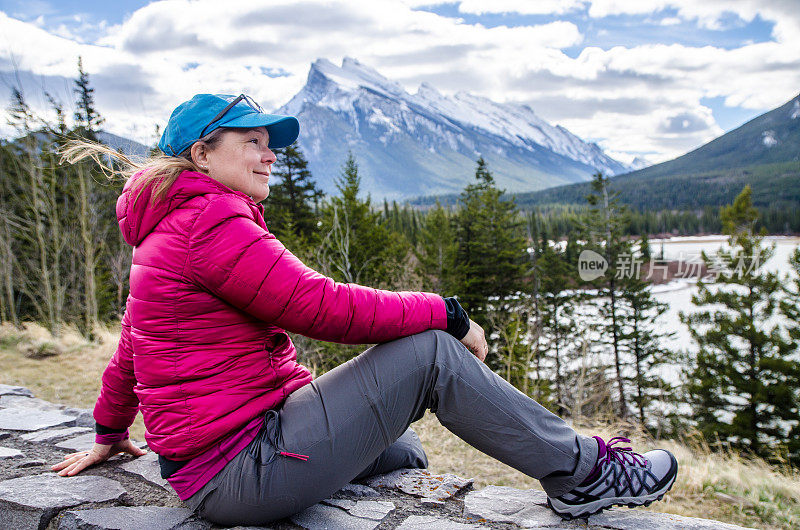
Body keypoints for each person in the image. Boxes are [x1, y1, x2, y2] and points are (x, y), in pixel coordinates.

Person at [52, 93, 677, 525]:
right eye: (253, 142)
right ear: (201, 154)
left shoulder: (165, 228)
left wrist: (109, 432)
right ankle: (583, 473)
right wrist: (448, 313)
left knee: (404, 454)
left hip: (227, 455)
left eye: (270, 142)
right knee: (430, 352)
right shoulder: (210, 219)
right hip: (239, 467)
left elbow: (131, 348)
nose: (271, 154)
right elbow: (317, 305)